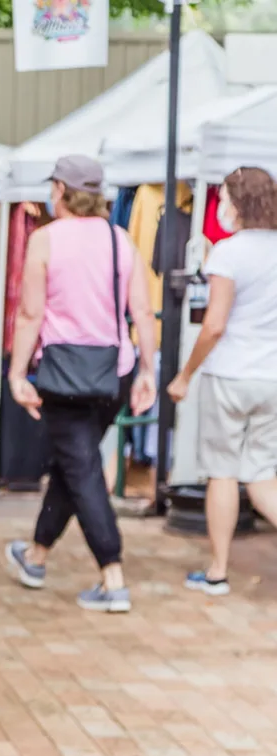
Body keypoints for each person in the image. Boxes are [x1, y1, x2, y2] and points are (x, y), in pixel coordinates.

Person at [3, 155, 158, 613]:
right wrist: (147, 370)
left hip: (64, 375)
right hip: (114, 373)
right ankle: (35, 556)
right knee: (77, 464)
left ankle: (113, 576)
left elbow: (31, 314)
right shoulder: (120, 240)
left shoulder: (45, 240)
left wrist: (16, 373)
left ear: (59, 191)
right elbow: (142, 314)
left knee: (81, 467)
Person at [167, 166, 277, 596]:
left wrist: (185, 374)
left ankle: (217, 570)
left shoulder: (229, 253)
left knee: (223, 473)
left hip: (230, 374)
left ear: (237, 202)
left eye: (225, 198)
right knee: (264, 476)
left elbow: (213, 326)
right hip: (272, 377)